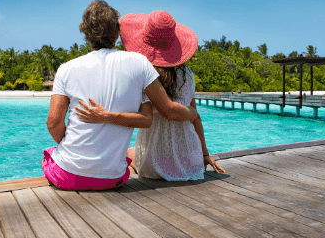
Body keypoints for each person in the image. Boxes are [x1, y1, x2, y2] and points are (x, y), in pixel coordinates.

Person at [42, 0, 198, 191]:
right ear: (117, 32)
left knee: (49, 155)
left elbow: (53, 123)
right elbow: (159, 112)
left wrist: (75, 149)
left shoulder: (66, 69)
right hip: (113, 178)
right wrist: (193, 113)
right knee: (127, 156)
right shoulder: (140, 63)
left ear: (85, 33)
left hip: (68, 177)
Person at [77, 10, 224, 180]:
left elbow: (144, 115)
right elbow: (195, 118)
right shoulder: (188, 75)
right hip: (190, 162)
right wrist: (205, 155)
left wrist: (105, 116)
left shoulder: (142, 75)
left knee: (127, 151)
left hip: (155, 166)